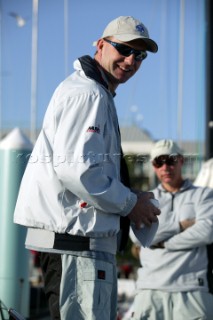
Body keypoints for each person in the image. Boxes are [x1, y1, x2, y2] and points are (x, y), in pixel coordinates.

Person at [14, 16, 160, 320]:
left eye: (140, 55)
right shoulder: (88, 94)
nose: (131, 60)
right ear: (100, 44)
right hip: (77, 250)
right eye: (124, 48)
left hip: (79, 249)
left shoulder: (94, 93)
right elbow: (78, 170)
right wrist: (131, 203)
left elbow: (82, 168)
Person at [129, 139, 213, 320]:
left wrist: (161, 243)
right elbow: (137, 236)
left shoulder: (204, 195)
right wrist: (181, 225)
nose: (165, 167)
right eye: (159, 162)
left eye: (171, 160)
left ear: (181, 161)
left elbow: (207, 231)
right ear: (153, 166)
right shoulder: (145, 200)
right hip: (150, 289)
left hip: (191, 288)